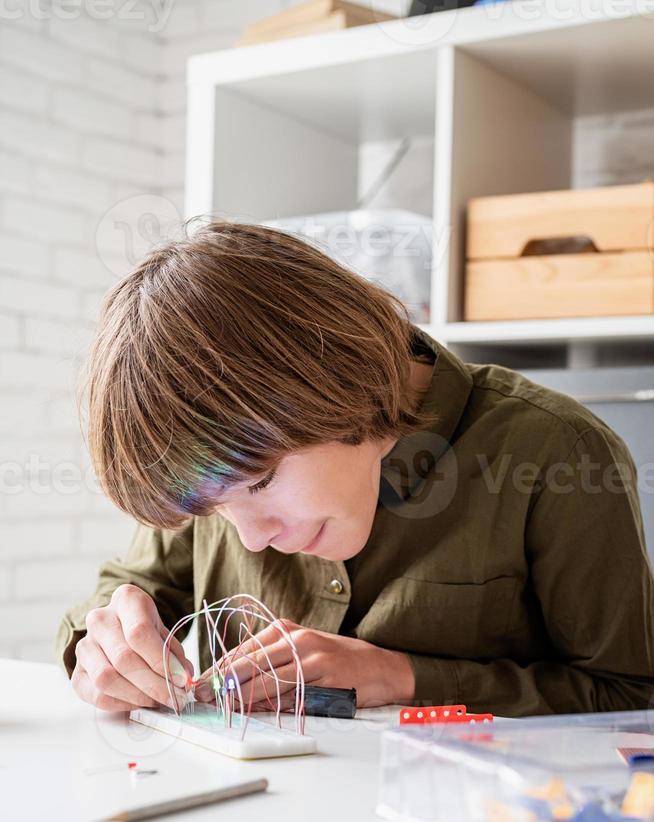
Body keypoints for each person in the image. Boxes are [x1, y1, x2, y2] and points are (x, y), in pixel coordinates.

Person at [56, 221, 654, 715]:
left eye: (262, 482)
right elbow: (126, 592)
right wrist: (104, 644)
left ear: (343, 381)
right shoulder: (217, 457)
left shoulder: (558, 453)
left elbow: (629, 695)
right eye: (214, 509)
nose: (251, 537)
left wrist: (403, 677)